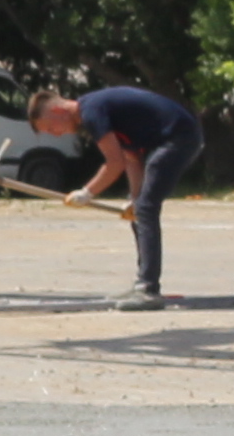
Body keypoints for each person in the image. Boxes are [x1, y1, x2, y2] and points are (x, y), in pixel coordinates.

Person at [40, 83, 205, 308]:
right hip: (170, 140)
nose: (56, 135)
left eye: (51, 128)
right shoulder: (96, 110)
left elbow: (114, 163)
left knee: (147, 208)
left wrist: (88, 192)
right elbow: (130, 158)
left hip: (178, 138)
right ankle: (142, 283)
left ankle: (148, 289)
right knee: (139, 209)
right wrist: (134, 199)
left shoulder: (91, 112)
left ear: (57, 112)